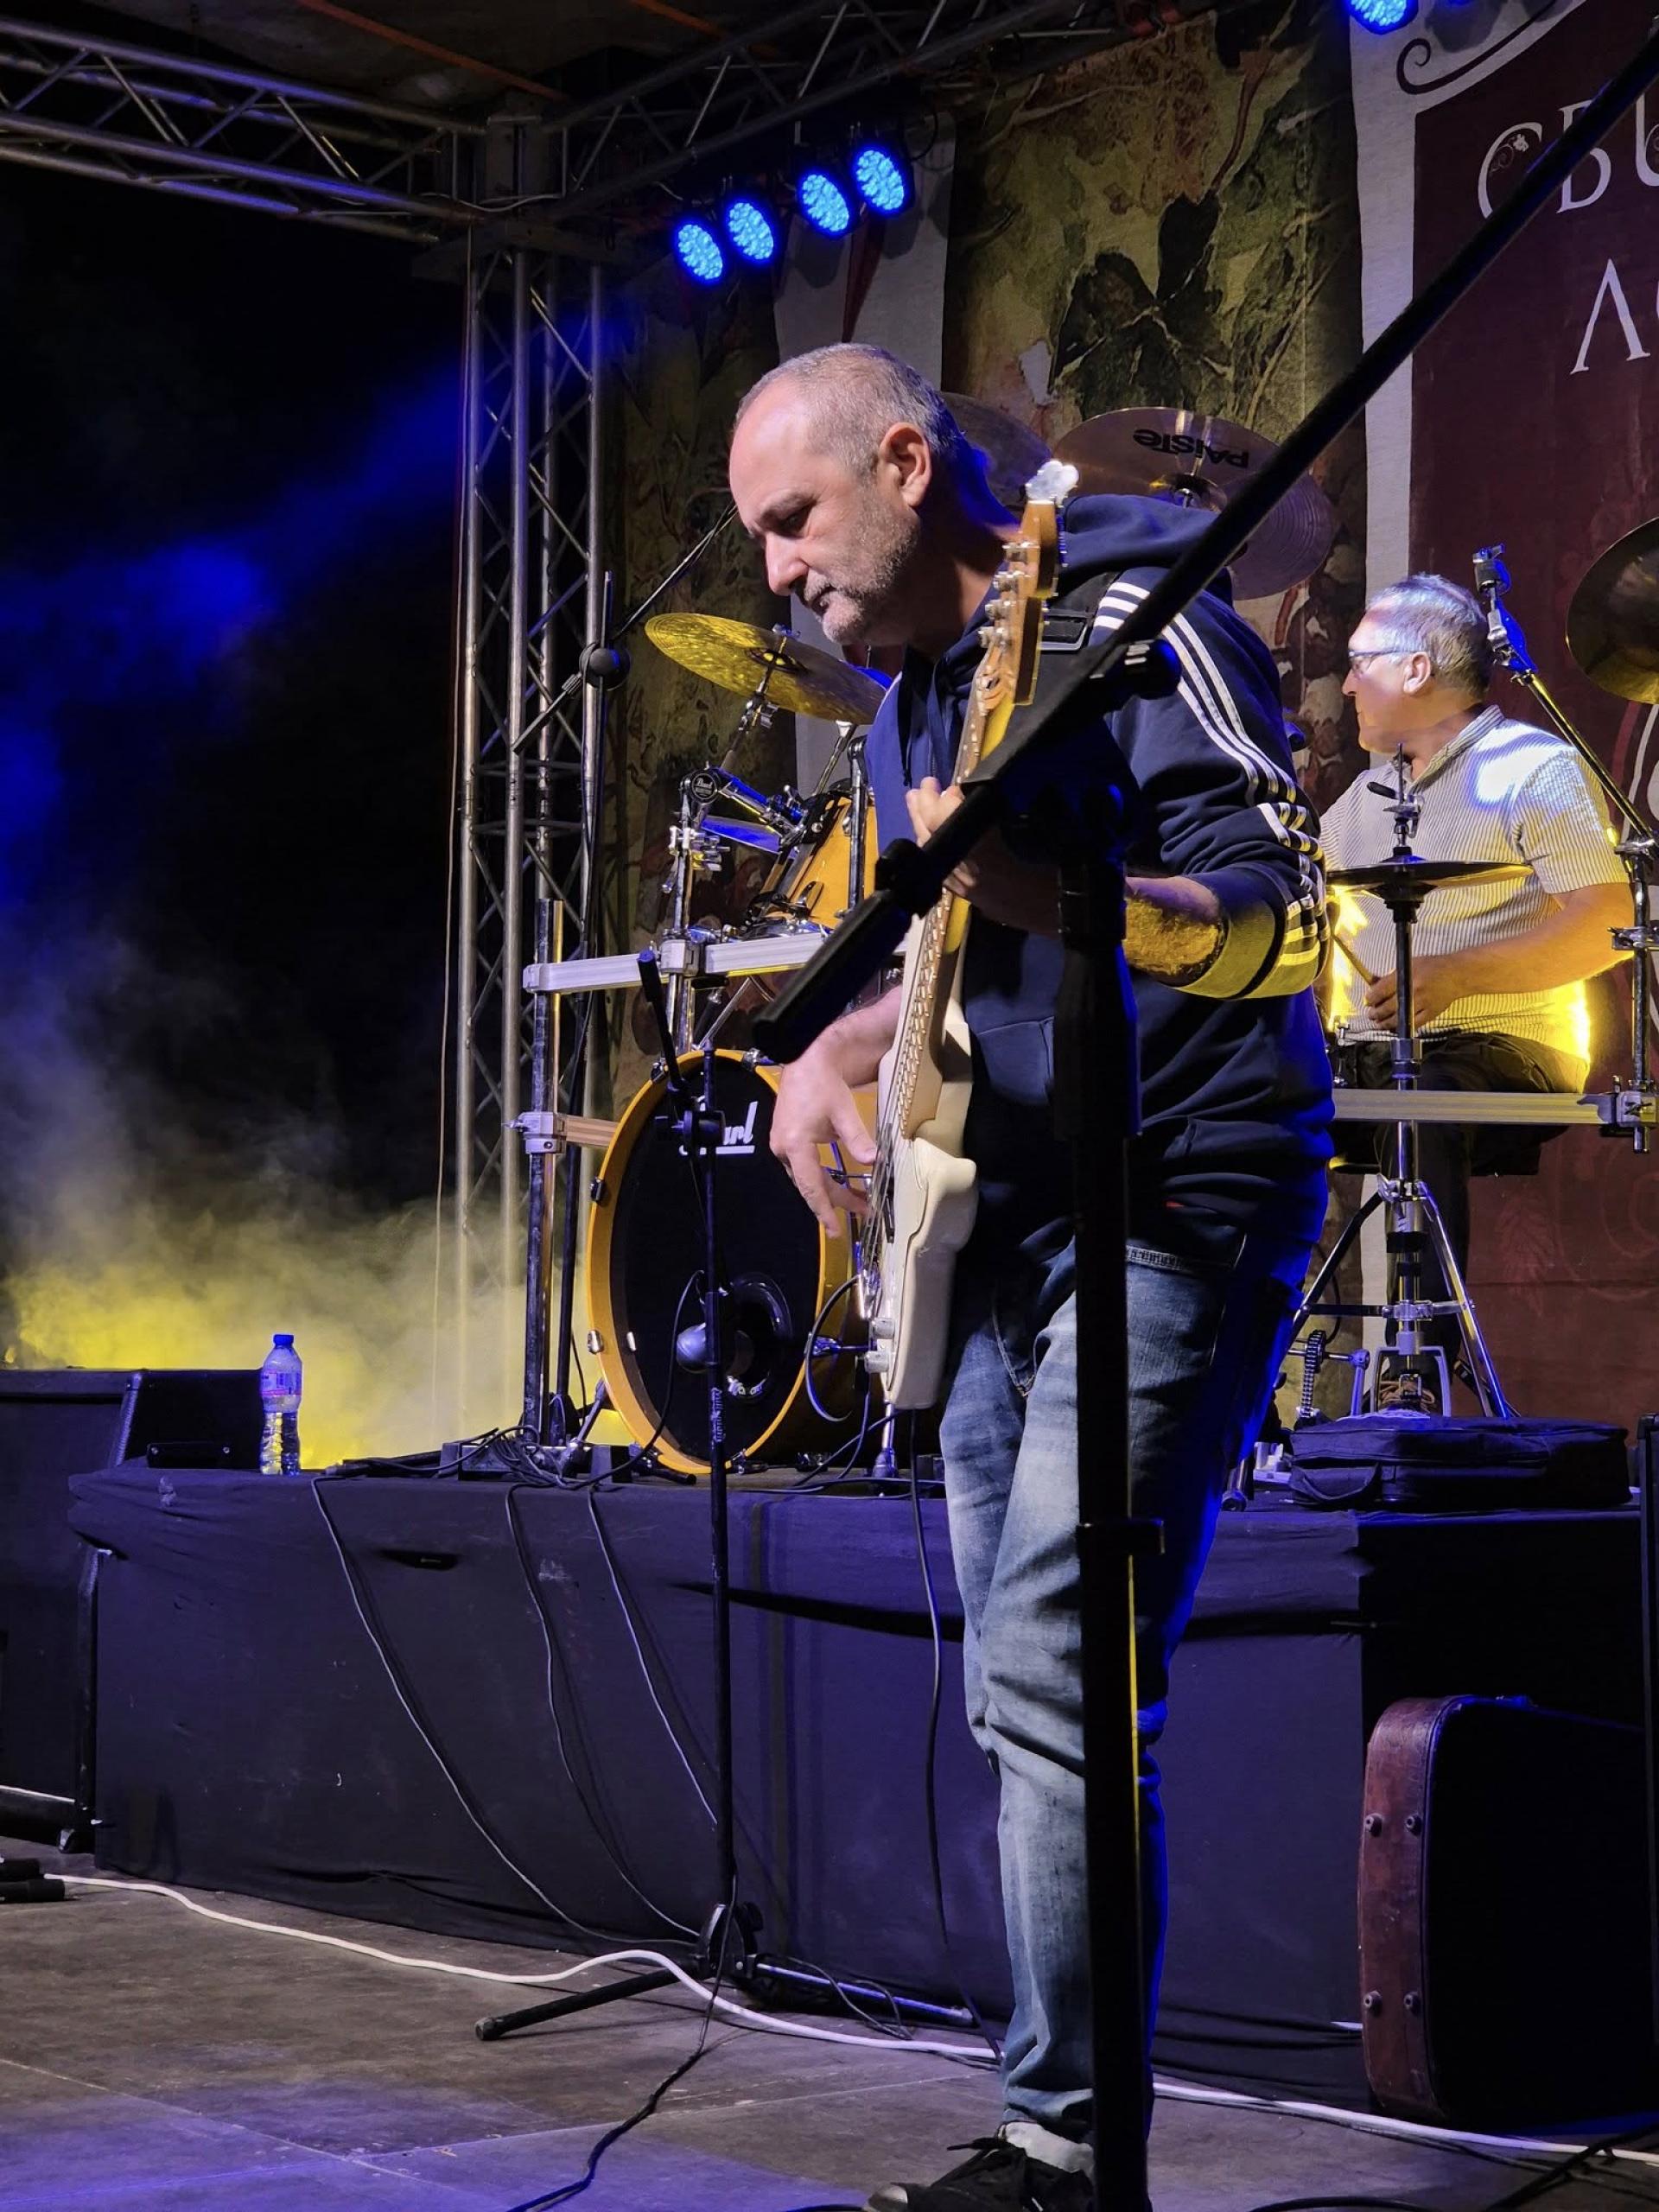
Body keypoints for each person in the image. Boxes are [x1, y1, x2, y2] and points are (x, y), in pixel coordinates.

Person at [728, 345, 1332, 2212]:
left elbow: (1288, 922)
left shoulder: (1132, 617)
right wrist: (828, 1061)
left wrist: (1074, 904)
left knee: (1066, 1661)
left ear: (909, 464)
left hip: (1176, 1187)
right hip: (1010, 1222)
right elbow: (944, 955)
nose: (776, 572)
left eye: (793, 519)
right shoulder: (913, 706)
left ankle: (1068, 2156)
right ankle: (1058, 2133)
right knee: (1025, 1689)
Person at [1320, 575, 1630, 1391]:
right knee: (1245, 1106)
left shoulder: (1533, 767)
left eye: (1358, 662)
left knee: (1419, 1096)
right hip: (1376, 1052)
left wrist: (1456, 976)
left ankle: (1420, 1361)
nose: (1346, 684)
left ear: (1415, 668)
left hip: (1508, 1049)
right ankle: (1254, 1374)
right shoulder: (1361, 800)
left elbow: (1606, 919)